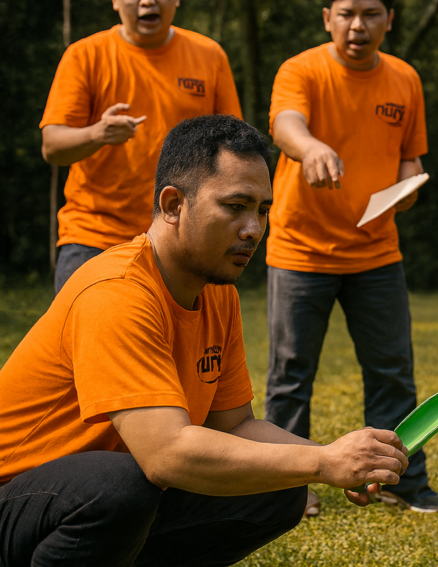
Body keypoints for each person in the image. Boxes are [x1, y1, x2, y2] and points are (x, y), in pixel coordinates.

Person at [0, 116, 410, 567]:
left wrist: (333, 457)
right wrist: (322, 464)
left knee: (278, 490)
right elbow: (165, 455)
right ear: (173, 204)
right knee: (117, 485)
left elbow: (234, 426)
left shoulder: (217, 294)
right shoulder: (116, 293)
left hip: (96, 497)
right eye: (235, 206)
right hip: (15, 498)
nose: (253, 229)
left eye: (262, 210)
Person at [264, 0, 438, 516]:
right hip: (301, 249)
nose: (357, 26)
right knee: (290, 375)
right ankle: (287, 488)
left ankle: (401, 481)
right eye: (346, 14)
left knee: (392, 372)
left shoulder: (404, 79)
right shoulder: (302, 69)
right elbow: (285, 124)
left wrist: (408, 188)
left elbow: (411, 157)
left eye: (370, 14)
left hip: (376, 252)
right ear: (328, 18)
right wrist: (311, 147)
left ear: (389, 20)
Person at [40, 0, 242, 294]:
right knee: (88, 332)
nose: (147, 0)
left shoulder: (209, 56)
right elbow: (52, 147)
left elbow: (232, 147)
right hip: (95, 236)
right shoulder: (85, 56)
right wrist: (98, 133)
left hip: (183, 237)